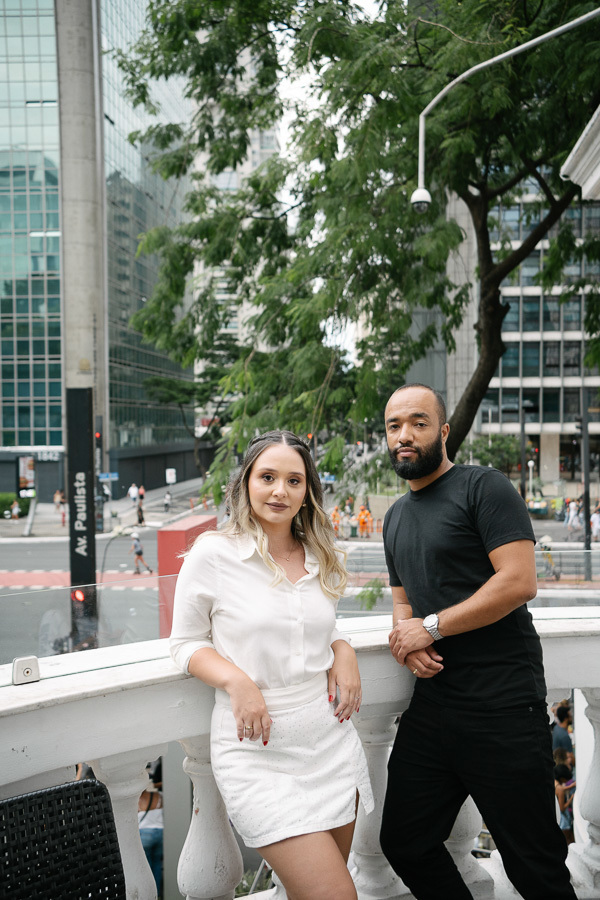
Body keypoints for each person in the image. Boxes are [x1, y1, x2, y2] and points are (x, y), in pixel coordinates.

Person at [379, 383, 577, 900]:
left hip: (503, 708)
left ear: (443, 432)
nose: (404, 435)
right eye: (394, 426)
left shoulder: (483, 487)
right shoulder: (395, 516)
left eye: (418, 423)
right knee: (404, 842)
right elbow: (403, 599)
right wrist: (408, 637)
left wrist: (434, 626)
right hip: (434, 709)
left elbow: (518, 581)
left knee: (535, 867)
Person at [170, 430, 373, 900]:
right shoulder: (213, 554)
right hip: (256, 751)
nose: (280, 491)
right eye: (267, 477)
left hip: (328, 741)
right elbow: (184, 643)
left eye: (294, 480)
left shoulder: (319, 554)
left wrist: (342, 649)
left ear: (307, 492)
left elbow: (315, 627)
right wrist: (236, 680)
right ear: (245, 483)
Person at [138, 761, 164, 897]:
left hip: (144, 836)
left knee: (146, 868)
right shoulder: (158, 796)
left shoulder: (137, 800)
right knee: (157, 865)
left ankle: (148, 895)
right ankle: (158, 893)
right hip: (160, 834)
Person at [554, 764, 576, 845]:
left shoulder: (554, 782)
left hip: (555, 819)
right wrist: (571, 799)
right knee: (568, 841)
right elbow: (562, 808)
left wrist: (569, 786)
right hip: (563, 821)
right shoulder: (560, 790)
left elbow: (559, 789)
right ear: (563, 778)